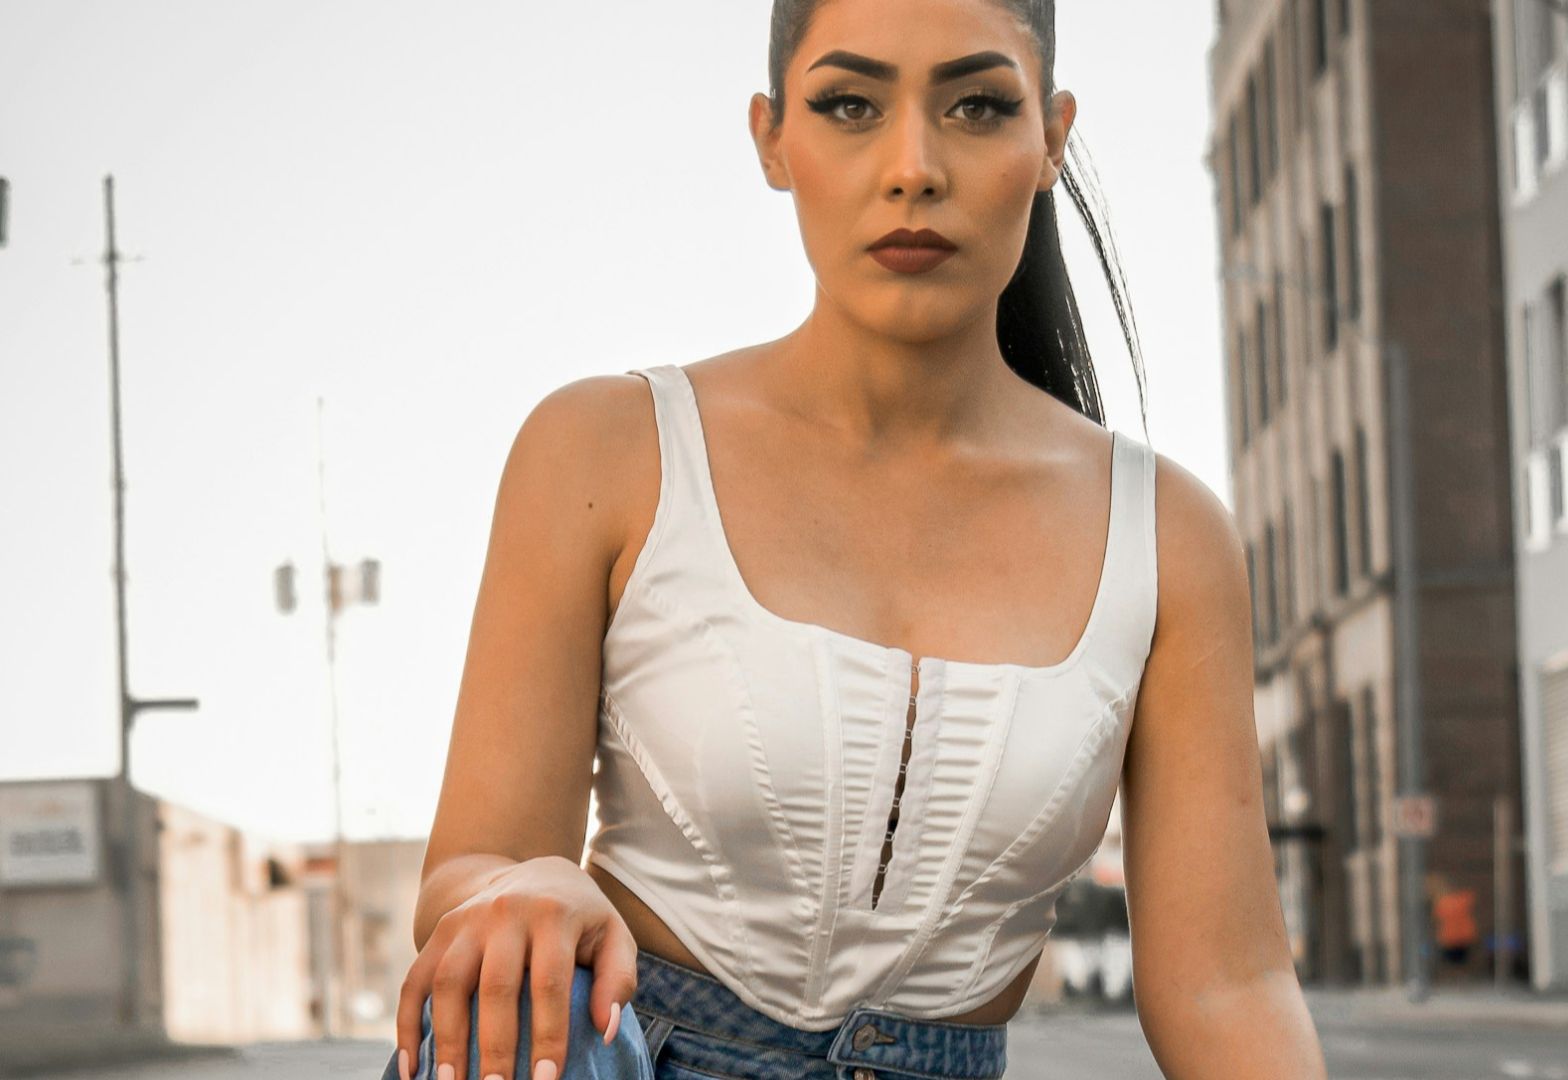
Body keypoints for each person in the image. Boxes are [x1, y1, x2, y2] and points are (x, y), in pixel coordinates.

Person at [382, 2, 1327, 1078]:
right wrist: (524, 887)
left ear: (1051, 139)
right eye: (849, 105)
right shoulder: (603, 451)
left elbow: (1226, 985)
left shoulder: (1170, 536)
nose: (913, 165)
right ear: (772, 138)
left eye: (978, 105)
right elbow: (473, 863)